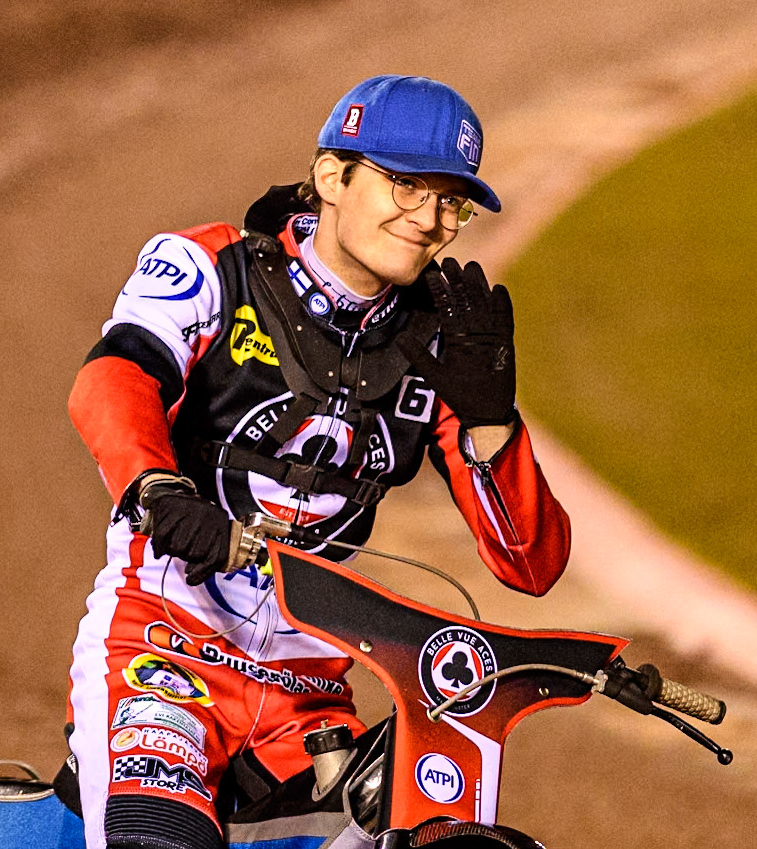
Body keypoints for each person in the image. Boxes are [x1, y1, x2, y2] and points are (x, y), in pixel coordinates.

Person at [66, 74, 571, 849]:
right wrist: (158, 488)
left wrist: (493, 421)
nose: (429, 219)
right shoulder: (210, 267)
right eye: (404, 184)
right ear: (333, 175)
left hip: (310, 700)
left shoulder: (440, 346)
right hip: (160, 646)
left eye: (450, 201)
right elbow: (114, 380)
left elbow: (528, 564)